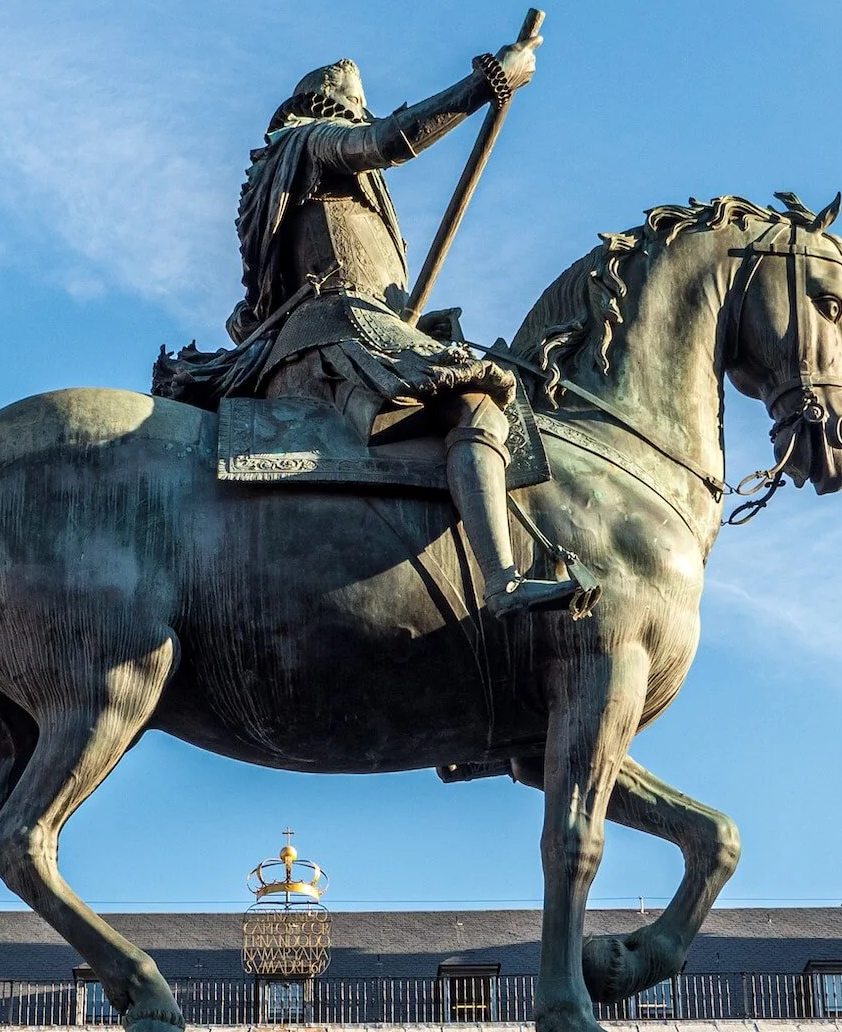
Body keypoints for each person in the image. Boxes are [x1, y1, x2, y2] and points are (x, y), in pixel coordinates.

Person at [162, 42, 585, 617]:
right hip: (336, 332)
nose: (361, 120)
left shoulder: (311, 184)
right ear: (330, 108)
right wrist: (488, 84)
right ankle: (502, 582)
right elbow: (390, 142)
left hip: (354, 328)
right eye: (355, 111)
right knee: (477, 404)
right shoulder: (308, 144)